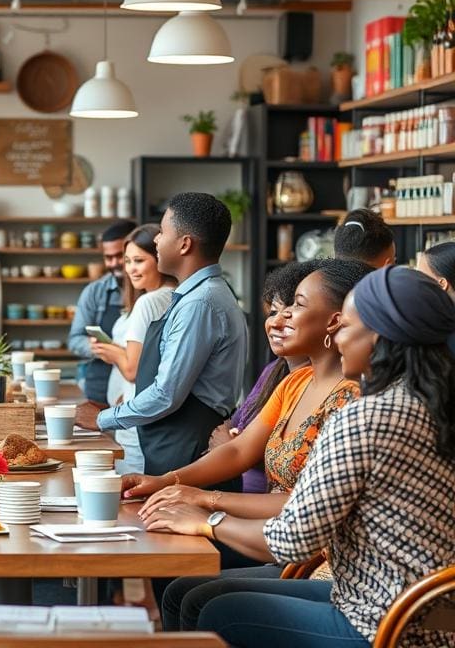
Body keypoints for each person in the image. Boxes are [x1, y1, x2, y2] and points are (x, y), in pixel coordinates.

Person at [148, 266, 455, 648]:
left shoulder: (365, 417)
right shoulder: (432, 403)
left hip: (383, 621)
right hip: (428, 614)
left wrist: (204, 519)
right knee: (195, 597)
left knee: (218, 612)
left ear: (377, 338)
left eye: (345, 326)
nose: (337, 336)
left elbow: (291, 540)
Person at [132, 258, 370, 629]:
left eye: (298, 305)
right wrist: (168, 481)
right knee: (181, 590)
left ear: (337, 321)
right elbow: (239, 451)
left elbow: (304, 504)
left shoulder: (350, 399)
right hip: (281, 539)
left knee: (198, 598)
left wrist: (204, 501)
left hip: (315, 557)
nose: (282, 316)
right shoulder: (296, 381)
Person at [76, 193, 246, 483]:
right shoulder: (197, 296)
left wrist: (102, 419)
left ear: (185, 244)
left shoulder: (199, 304)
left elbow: (166, 394)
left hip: (190, 450)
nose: (156, 240)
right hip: (178, 444)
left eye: (163, 232)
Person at [207, 260, 320, 495]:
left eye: (292, 311)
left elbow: (292, 459)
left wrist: (238, 449)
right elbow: (234, 423)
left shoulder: (319, 384)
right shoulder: (274, 371)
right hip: (240, 494)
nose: (277, 322)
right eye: (274, 312)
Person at [88, 224, 176, 473]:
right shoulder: (171, 297)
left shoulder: (148, 303)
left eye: (139, 260)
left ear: (159, 258)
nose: (130, 269)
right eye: (128, 261)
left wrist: (112, 351)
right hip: (137, 417)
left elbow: (132, 370)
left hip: (134, 424)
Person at [67, 219, 138, 405]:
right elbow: (75, 339)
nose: (114, 263)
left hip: (137, 390)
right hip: (99, 388)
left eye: (120, 256)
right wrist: (100, 348)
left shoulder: (152, 294)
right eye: (108, 257)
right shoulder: (95, 291)